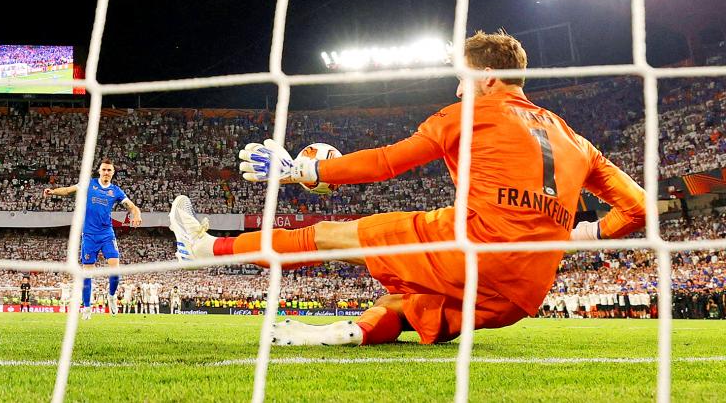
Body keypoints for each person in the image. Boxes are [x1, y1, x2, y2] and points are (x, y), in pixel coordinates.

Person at [170, 30, 647, 346]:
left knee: (331, 235)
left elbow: (384, 164)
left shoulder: (468, 114)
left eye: (461, 79)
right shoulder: (577, 141)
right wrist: (582, 235)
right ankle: (345, 333)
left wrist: (306, 171)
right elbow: (640, 208)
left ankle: (205, 247)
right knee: (405, 304)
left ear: (487, 77)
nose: (458, 90)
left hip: (473, 249)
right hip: (523, 293)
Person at [43, 158, 142, 320]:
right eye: (104, 170)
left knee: (115, 270)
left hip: (106, 234)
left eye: (109, 170)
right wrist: (53, 191)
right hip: (89, 235)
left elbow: (131, 206)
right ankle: (87, 307)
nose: (106, 172)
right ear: (99, 171)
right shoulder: (89, 184)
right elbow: (68, 190)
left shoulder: (116, 191)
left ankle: (111, 296)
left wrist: (137, 214)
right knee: (87, 273)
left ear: (113, 173)